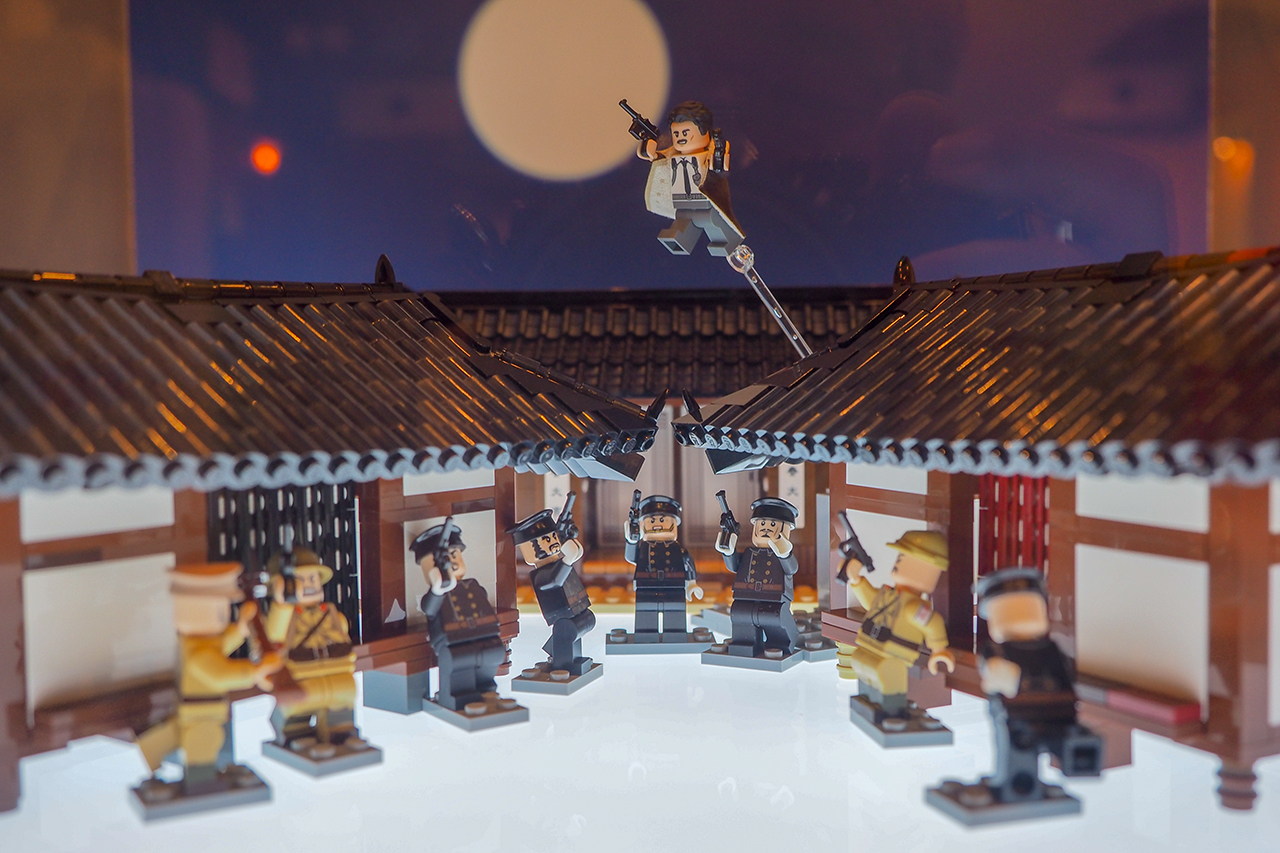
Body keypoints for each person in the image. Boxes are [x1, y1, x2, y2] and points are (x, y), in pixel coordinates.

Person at [134, 562, 282, 805]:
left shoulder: (200, 644)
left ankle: (177, 764)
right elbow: (220, 674)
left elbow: (221, 648)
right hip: (201, 712)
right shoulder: (198, 653)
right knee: (204, 742)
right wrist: (255, 672)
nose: (223, 614)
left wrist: (241, 628)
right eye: (219, 609)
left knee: (199, 740)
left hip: (201, 709)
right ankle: (201, 782)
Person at [838, 530, 955, 725]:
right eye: (900, 556)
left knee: (886, 676)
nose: (898, 561)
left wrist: (939, 649)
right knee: (861, 665)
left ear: (928, 569)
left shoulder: (914, 607)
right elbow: (871, 603)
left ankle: (890, 712)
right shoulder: (890, 593)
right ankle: (868, 702)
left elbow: (932, 623)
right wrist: (856, 579)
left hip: (893, 656)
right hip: (870, 646)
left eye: (904, 557)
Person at [264, 546, 364, 755]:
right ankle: (295, 733)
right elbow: (273, 637)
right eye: (300, 580)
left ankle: (341, 732)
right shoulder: (283, 619)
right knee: (297, 708)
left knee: (341, 704)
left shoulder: (334, 616)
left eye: (312, 579)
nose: (308, 585)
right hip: (301, 678)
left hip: (338, 676)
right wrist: (282, 605)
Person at [412, 523, 506, 711]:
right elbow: (429, 608)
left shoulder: (472, 585)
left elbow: (482, 600)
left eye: (454, 555)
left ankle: (487, 690)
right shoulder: (437, 595)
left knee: (492, 658)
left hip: (486, 635)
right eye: (442, 560)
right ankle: (459, 697)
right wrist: (438, 589)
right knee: (459, 666)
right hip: (453, 643)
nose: (451, 563)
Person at [637, 101, 744, 257]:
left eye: (685, 133)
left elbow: (719, 171)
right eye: (676, 134)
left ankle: (727, 242)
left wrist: (718, 157)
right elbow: (654, 158)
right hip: (682, 203)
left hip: (704, 200)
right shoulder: (670, 156)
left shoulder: (708, 154)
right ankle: (680, 242)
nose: (680, 138)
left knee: (711, 222)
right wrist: (648, 149)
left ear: (704, 132)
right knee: (682, 226)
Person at [509, 509, 595, 675]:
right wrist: (568, 559)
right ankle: (562, 665)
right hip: (561, 615)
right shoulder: (542, 575)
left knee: (576, 628)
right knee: (567, 634)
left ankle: (567, 659)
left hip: (576, 608)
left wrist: (571, 543)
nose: (553, 542)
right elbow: (555, 580)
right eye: (546, 539)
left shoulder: (559, 564)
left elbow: (575, 555)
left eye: (554, 537)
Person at [715, 497, 800, 657]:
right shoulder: (749, 553)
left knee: (774, 619)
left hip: (774, 597)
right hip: (745, 595)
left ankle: (778, 646)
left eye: (773, 524)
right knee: (741, 616)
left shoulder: (781, 555)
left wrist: (785, 553)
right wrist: (729, 551)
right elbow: (734, 566)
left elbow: (792, 568)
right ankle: (744, 644)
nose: (765, 528)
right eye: (761, 524)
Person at [623, 494, 700, 641]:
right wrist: (631, 541)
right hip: (646, 585)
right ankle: (645, 636)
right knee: (645, 610)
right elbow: (631, 557)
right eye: (652, 520)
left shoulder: (678, 550)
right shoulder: (643, 548)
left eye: (663, 520)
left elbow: (688, 564)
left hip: (674, 585)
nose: (657, 524)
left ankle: (675, 636)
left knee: (675, 610)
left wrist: (692, 584)